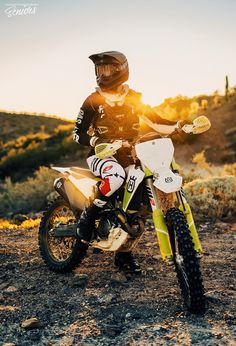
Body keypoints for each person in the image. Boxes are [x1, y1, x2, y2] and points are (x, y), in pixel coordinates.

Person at [73, 51, 184, 273]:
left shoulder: (135, 97)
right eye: (99, 69)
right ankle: (87, 218)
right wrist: (96, 140)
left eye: (107, 69)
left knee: (138, 205)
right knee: (115, 178)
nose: (102, 74)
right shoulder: (93, 100)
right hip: (102, 155)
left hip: (133, 155)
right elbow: (77, 133)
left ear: (121, 70)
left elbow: (156, 121)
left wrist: (180, 125)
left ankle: (123, 256)